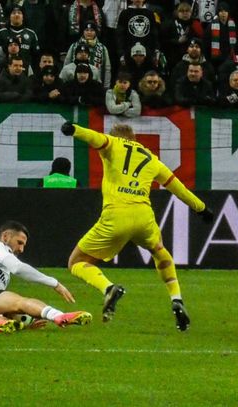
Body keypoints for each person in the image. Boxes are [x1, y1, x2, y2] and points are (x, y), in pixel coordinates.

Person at [60, 121, 214, 330]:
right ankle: (176, 298)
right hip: (143, 216)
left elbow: (94, 137)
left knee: (76, 262)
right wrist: (202, 208)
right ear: (134, 139)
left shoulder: (113, 144)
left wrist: (74, 129)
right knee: (159, 250)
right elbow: (178, 188)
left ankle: (108, 288)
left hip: (116, 215)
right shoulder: (151, 158)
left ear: (114, 136)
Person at [0, 220, 92, 332]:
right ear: (5, 236)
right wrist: (54, 283)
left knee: (0, 320)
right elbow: (18, 268)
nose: (21, 249)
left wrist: (27, 322)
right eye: (19, 243)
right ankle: (58, 315)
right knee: (20, 302)